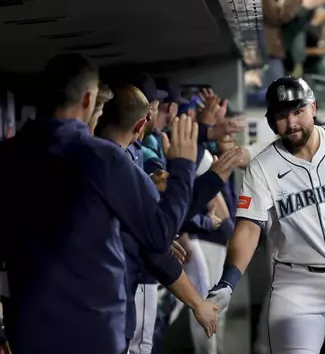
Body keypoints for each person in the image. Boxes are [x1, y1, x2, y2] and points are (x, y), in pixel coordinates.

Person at [0, 53, 198, 354]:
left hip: (29, 330)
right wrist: (183, 169)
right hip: (93, 331)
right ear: (88, 99)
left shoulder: (8, 156)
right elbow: (158, 236)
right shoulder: (102, 158)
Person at [207, 76, 325, 353]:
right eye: (282, 116)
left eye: (298, 112)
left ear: (313, 108)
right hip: (298, 285)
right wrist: (229, 281)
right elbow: (249, 226)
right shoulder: (263, 166)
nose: (291, 124)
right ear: (270, 121)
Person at [95, 84, 239, 353]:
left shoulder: (94, 158)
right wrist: (191, 171)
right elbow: (156, 239)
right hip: (117, 294)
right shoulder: (124, 166)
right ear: (141, 124)